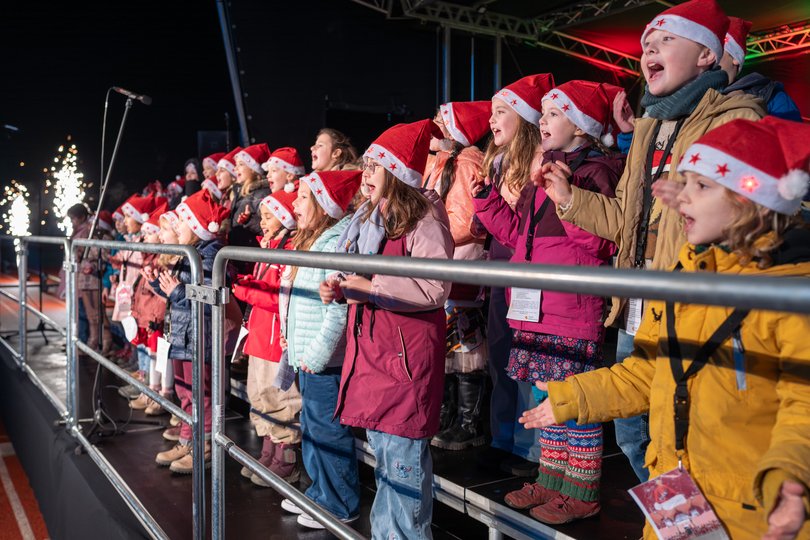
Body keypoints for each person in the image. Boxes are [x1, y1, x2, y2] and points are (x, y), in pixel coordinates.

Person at [522, 116, 810, 540]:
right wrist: (574, 395)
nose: (680, 199)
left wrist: (790, 475)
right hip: (679, 502)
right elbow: (651, 369)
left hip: (757, 516)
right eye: (684, 182)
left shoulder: (790, 297)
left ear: (753, 199)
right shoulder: (684, 277)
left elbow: (803, 404)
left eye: (701, 186)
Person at [544, 0, 764, 482]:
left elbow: (737, 219)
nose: (649, 50)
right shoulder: (649, 127)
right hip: (637, 301)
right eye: (646, 44)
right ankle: (669, 523)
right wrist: (568, 198)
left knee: (686, 427)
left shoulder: (734, 118)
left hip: (688, 301)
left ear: (708, 56)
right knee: (630, 431)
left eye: (666, 40)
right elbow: (625, 220)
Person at [474, 80, 624, 524]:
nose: (542, 121)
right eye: (541, 113)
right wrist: (486, 202)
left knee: (574, 401)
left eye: (553, 114)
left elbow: (600, 243)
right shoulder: (543, 173)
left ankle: (581, 490)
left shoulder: (595, 172)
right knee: (544, 398)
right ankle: (551, 478)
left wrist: (567, 199)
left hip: (571, 311)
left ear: (580, 127)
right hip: (533, 309)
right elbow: (516, 236)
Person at [323, 120, 454, 538]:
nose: (364, 176)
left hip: (404, 366)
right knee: (387, 469)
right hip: (378, 362)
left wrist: (370, 286)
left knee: (402, 473)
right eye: (365, 166)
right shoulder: (368, 218)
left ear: (397, 175)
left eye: (374, 167)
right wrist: (342, 289)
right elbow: (364, 280)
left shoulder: (424, 220)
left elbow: (434, 288)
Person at [476, 73, 556, 477]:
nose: (492, 120)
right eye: (491, 112)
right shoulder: (496, 162)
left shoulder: (543, 161)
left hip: (528, 274)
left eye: (501, 111)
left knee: (528, 360)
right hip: (499, 269)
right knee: (501, 355)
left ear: (524, 117)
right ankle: (502, 437)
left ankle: (530, 448)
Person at [279, 169, 362, 529]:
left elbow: (337, 309)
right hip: (309, 357)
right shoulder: (314, 239)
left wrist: (315, 353)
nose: (294, 204)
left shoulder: (334, 242)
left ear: (322, 205)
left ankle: (341, 504)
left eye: (302, 198)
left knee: (328, 432)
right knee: (312, 428)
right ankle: (319, 493)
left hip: (324, 361)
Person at [423, 101, 491, 451]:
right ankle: (449, 414)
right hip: (444, 260)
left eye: (441, 119)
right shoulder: (440, 163)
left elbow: (467, 223)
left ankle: (469, 422)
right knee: (450, 346)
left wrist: (431, 231)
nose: (434, 124)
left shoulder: (466, 164)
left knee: (466, 346)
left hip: (461, 261)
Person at [149, 189, 231, 473]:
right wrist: (158, 285)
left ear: (197, 226)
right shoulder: (190, 254)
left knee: (202, 393)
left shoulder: (211, 256)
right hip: (184, 334)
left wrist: (178, 291)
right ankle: (187, 439)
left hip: (202, 337)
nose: (176, 228)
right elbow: (180, 293)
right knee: (186, 391)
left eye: (181, 223)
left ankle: (204, 444)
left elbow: (211, 298)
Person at [231, 187, 302, 486]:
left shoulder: (289, 251)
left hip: (276, 340)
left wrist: (246, 289)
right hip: (260, 336)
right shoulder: (267, 247)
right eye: (261, 216)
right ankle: (268, 449)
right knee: (258, 394)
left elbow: (282, 300)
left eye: (269, 215)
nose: (262, 222)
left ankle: (286, 457)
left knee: (281, 398)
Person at [127, 202, 170, 416]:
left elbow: (161, 296)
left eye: (148, 234)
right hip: (147, 317)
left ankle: (162, 394)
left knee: (159, 357)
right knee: (150, 354)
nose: (144, 238)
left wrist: (155, 318)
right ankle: (151, 391)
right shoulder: (149, 258)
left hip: (156, 320)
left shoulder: (160, 261)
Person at [721, 17, 802, 122]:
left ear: (735, 58)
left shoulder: (770, 97)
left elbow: (791, 135)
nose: (707, 57)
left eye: (715, 51)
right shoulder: (696, 94)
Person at [230, 143, 271, 251]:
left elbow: (269, 228)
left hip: (252, 253)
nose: (235, 169)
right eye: (236, 164)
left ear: (253, 169)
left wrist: (249, 221)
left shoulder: (261, 194)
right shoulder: (241, 192)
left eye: (241, 164)